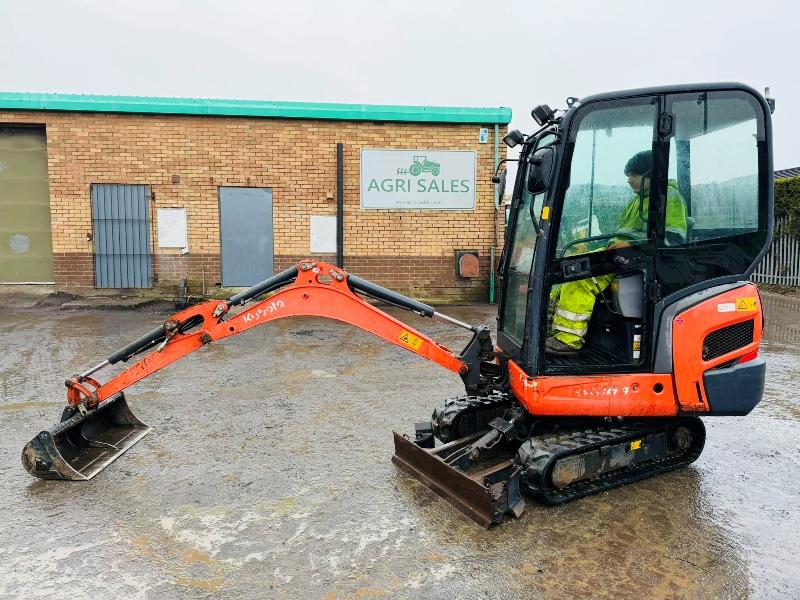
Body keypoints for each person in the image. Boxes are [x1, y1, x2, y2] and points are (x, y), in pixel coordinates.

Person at [545, 150, 687, 356]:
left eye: (634, 175)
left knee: (581, 279)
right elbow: (620, 234)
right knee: (566, 275)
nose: (629, 180)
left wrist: (631, 244)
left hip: (640, 260)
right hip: (624, 256)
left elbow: (672, 238)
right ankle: (553, 331)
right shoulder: (638, 200)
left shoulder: (669, 198)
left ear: (651, 174)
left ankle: (568, 340)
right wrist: (593, 248)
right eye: (628, 175)